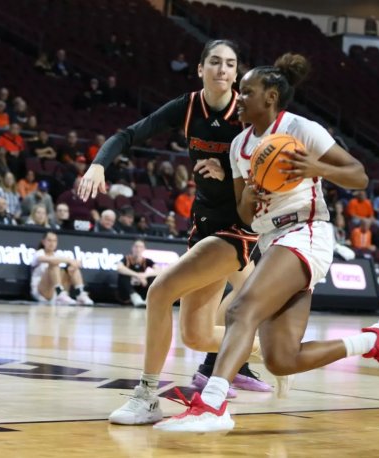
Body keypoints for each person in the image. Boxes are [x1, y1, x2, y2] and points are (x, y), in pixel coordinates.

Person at [154, 53, 379, 432]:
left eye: (248, 91)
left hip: (307, 231)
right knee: (281, 359)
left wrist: (316, 168)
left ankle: (211, 406)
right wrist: (251, 198)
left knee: (240, 311)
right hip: (273, 239)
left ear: (270, 98)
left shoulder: (302, 129)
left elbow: (359, 176)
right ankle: (372, 342)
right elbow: (243, 215)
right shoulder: (240, 145)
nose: (239, 97)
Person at [78, 40, 272, 426]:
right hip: (203, 227)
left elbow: (269, 177)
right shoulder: (187, 107)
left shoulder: (249, 115)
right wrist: (99, 165)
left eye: (230, 64)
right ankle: (279, 351)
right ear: (200, 69)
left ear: (238, 73)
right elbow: (128, 134)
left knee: (159, 291)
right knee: (199, 336)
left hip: (237, 229)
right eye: (214, 62)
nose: (222, 69)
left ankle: (147, 395)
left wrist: (230, 171)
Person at [30, 231, 94, 305]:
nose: (52, 243)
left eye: (54, 241)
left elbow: (78, 264)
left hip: (54, 290)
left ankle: (80, 293)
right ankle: (60, 293)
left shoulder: (58, 254)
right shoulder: (38, 253)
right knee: (53, 264)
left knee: (72, 268)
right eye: (49, 240)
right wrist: (69, 260)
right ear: (43, 242)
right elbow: (47, 259)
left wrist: (74, 264)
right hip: (41, 291)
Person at [117, 240, 160, 307]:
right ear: (132, 248)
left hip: (142, 288)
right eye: (136, 247)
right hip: (128, 292)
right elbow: (119, 268)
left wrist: (145, 275)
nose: (138, 249)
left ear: (144, 249)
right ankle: (135, 297)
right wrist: (137, 275)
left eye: (140, 247)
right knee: (123, 276)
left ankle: (148, 298)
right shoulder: (126, 259)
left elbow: (159, 271)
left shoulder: (147, 261)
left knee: (153, 277)